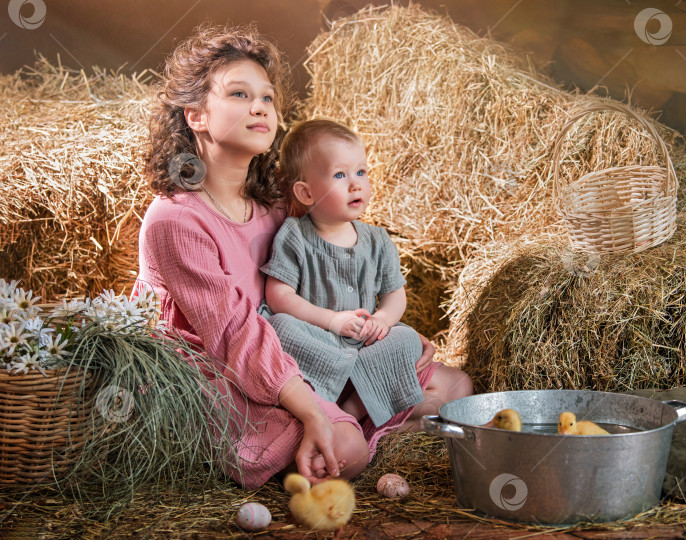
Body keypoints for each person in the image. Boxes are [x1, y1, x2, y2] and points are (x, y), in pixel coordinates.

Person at [133, 23, 472, 490]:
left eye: (267, 98)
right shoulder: (176, 221)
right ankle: (355, 432)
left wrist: (392, 338)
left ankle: (357, 420)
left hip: (302, 357)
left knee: (455, 389)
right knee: (343, 449)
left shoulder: (276, 207)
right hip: (223, 376)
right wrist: (312, 410)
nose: (259, 107)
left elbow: (336, 269)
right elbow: (237, 335)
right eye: (238, 94)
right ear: (195, 115)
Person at [260, 119, 423, 429]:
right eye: (340, 175)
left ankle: (350, 409)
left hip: (364, 340)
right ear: (306, 193)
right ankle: (324, 399)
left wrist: (382, 321)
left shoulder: (377, 240)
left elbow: (394, 295)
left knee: (407, 337)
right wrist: (332, 320)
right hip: (318, 336)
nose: (356, 184)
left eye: (361, 172)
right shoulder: (295, 235)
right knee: (279, 327)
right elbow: (278, 295)